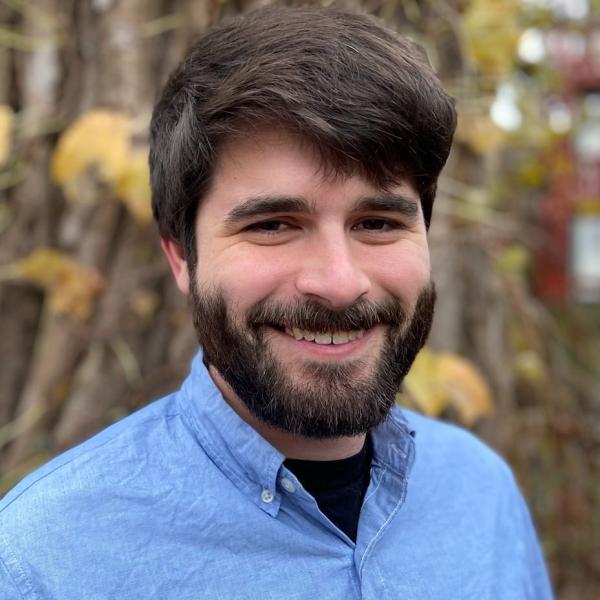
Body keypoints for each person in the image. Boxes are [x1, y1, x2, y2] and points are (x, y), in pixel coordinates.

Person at [0, 6, 552, 599]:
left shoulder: (481, 494)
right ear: (181, 257)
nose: (340, 283)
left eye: (378, 222)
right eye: (273, 225)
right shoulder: (43, 560)